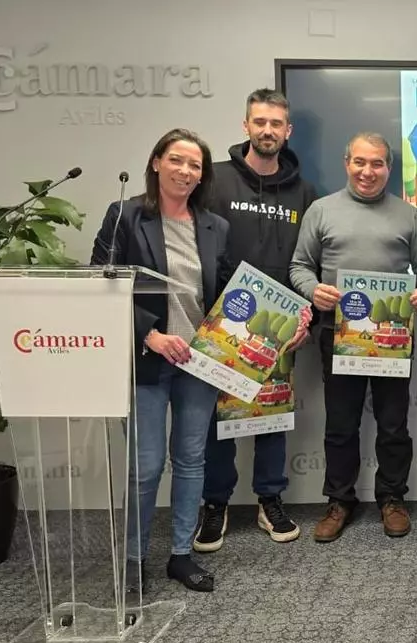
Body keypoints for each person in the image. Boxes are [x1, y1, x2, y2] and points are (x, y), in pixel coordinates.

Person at [90, 128, 229, 593]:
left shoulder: (215, 226)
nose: (185, 171)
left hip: (199, 362)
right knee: (146, 467)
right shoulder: (126, 216)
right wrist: (149, 334)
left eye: (195, 165)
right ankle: (134, 559)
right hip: (147, 358)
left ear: (202, 175)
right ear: (156, 162)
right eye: (176, 160)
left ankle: (181, 555)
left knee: (190, 460)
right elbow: (101, 284)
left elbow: (226, 295)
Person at [289, 131, 417, 540]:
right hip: (339, 334)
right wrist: (312, 289)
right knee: (341, 424)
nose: (367, 171)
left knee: (393, 425)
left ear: (388, 168)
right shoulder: (321, 210)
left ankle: (392, 498)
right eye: (360, 162)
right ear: (346, 163)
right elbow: (299, 266)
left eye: (377, 164)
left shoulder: (408, 214)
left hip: (392, 336)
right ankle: (340, 500)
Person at [193, 88, 318, 553]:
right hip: (222, 324)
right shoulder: (214, 181)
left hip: (280, 325)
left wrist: (306, 318)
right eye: (260, 122)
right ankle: (215, 503)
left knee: (272, 417)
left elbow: (311, 262)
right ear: (246, 125)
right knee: (219, 422)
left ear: (288, 131)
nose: (268, 130)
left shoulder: (305, 192)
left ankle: (270, 499)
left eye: (276, 124)